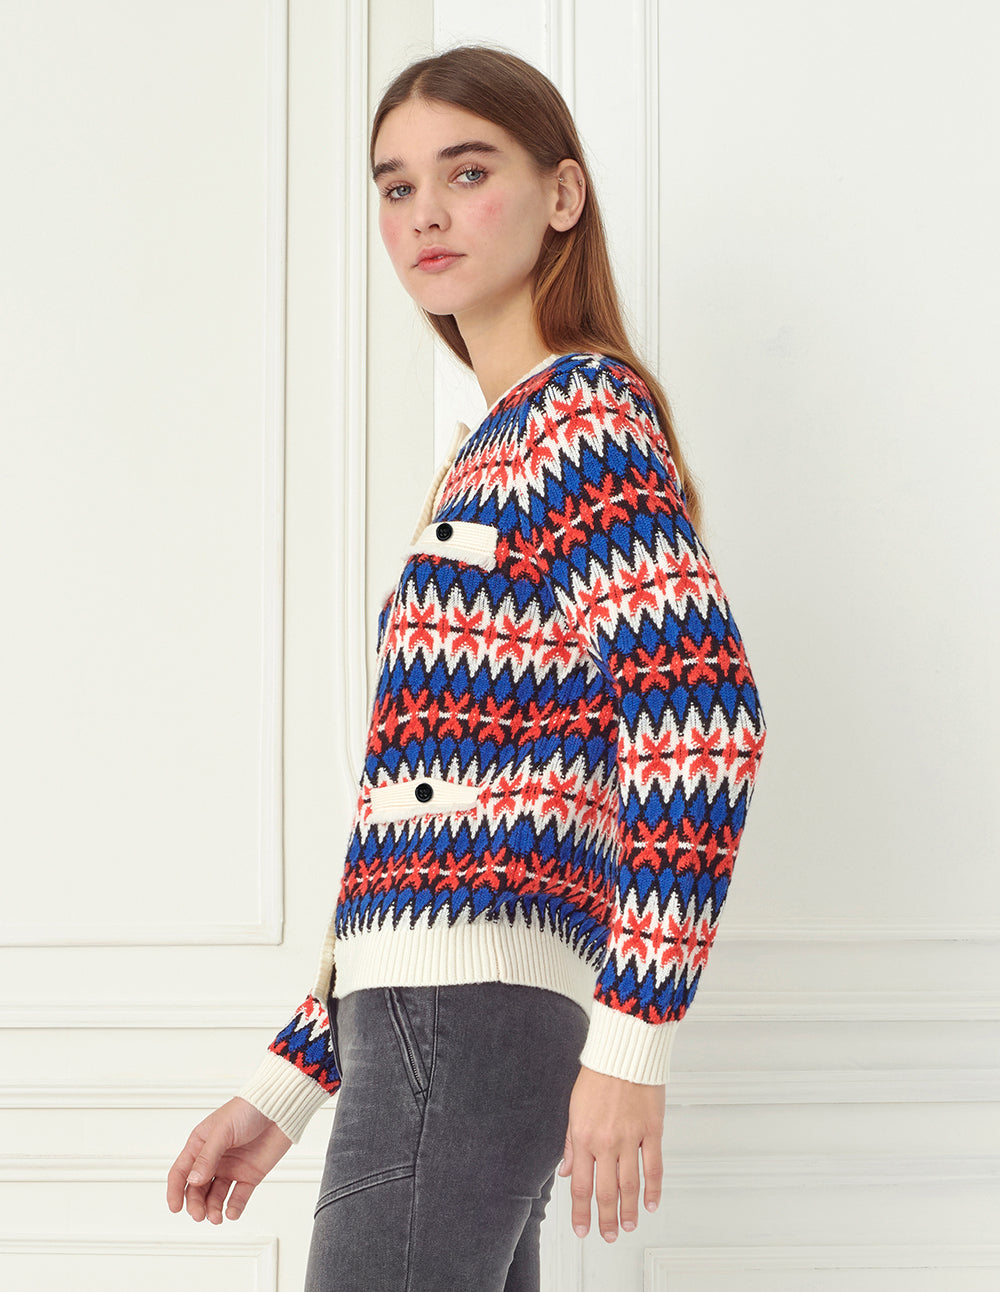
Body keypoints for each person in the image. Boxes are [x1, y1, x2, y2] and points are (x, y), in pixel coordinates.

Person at [166, 43, 768, 1291]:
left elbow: (704, 718)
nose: (424, 212)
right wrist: (291, 1079)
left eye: (467, 171)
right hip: (433, 1016)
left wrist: (634, 1039)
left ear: (562, 194)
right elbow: (421, 814)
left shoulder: (577, 421)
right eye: (396, 186)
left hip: (470, 1015)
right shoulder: (494, 444)